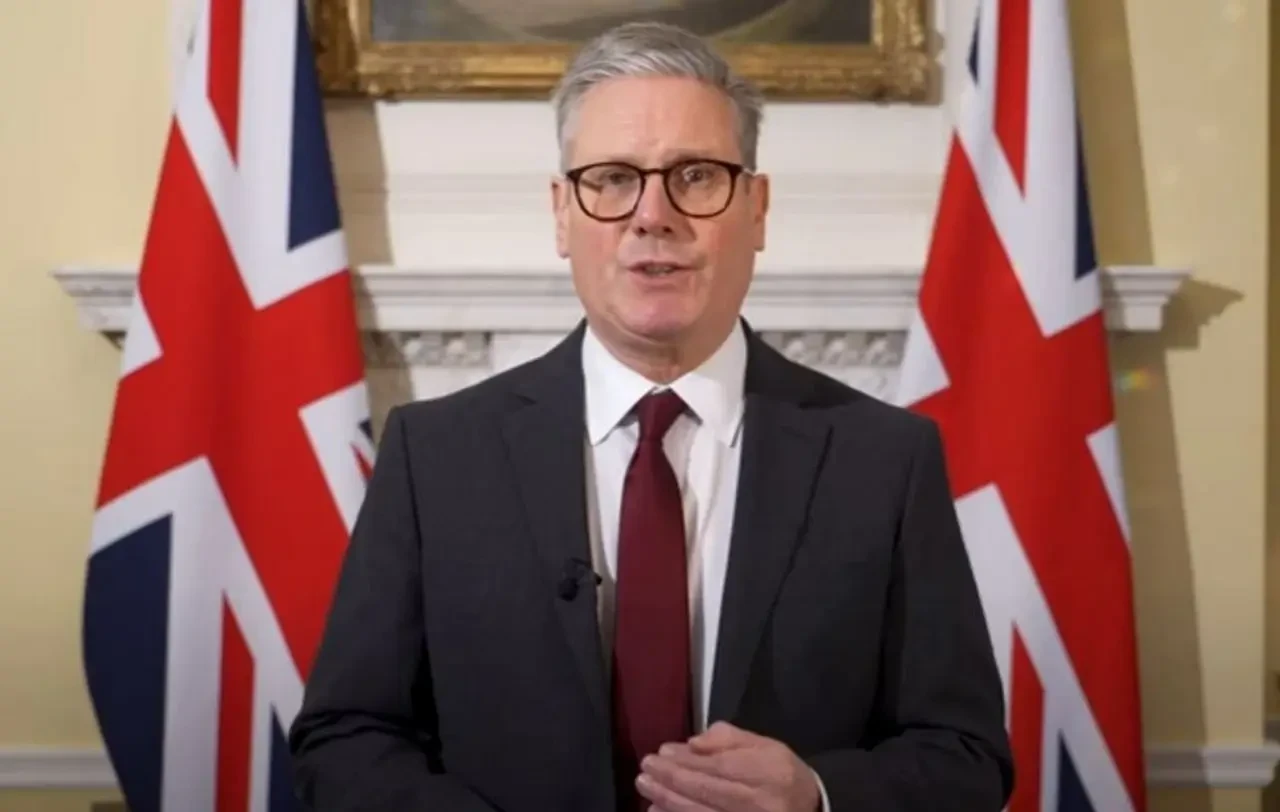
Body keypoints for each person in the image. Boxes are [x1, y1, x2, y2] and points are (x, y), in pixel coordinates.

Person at [288, 20, 1013, 812]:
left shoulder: (884, 460)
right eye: (612, 179)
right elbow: (344, 737)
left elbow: (965, 757)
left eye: (695, 176)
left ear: (757, 208)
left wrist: (815, 794)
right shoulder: (436, 456)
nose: (652, 215)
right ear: (562, 213)